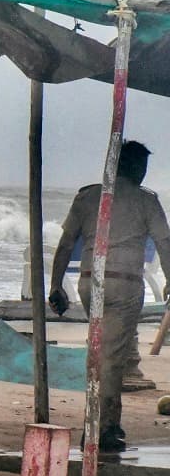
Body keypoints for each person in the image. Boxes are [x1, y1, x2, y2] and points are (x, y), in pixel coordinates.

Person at [48, 140, 170, 453]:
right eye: (141, 167)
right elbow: (165, 242)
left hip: (90, 283)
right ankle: (101, 429)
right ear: (134, 168)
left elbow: (65, 244)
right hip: (125, 284)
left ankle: (102, 422)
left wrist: (56, 285)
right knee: (112, 359)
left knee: (102, 352)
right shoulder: (146, 201)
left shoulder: (88, 196)